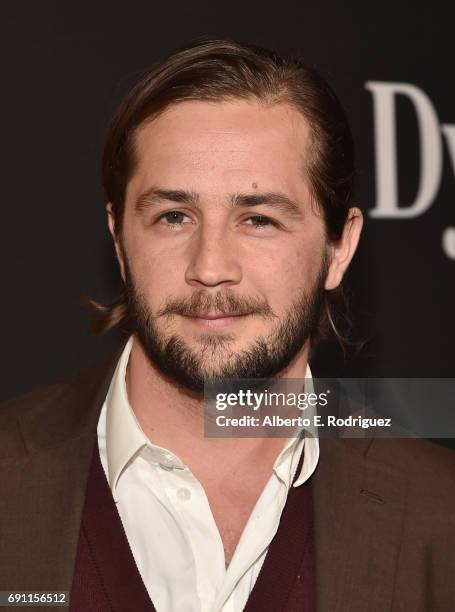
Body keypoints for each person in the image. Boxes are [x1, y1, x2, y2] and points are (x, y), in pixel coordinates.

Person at [0, 39, 453, 612]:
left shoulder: (440, 517)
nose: (210, 267)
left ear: (340, 247)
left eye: (258, 219)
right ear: (119, 241)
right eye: (173, 217)